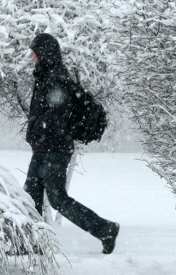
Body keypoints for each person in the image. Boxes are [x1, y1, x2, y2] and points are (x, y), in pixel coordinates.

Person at [24, 32, 120, 254]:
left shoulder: (57, 78)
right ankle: (34, 243)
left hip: (55, 150)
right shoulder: (45, 75)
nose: (31, 56)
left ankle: (105, 229)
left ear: (44, 53)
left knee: (57, 199)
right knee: (30, 196)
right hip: (44, 148)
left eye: (34, 52)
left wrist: (39, 129)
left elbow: (57, 116)